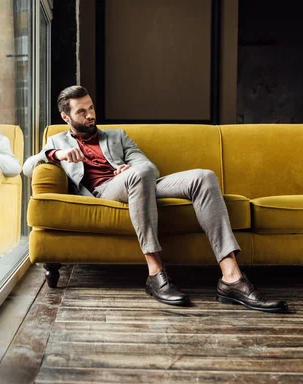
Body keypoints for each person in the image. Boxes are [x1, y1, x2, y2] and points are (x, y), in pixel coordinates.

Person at [23, 85, 288, 313]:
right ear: (65, 116)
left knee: (203, 177)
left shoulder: (117, 136)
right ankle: (155, 273)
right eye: (81, 111)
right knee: (139, 175)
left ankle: (231, 277)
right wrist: (56, 155)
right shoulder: (56, 140)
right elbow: (26, 167)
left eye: (91, 107)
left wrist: (129, 167)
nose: (90, 115)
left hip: (140, 182)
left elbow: (147, 166)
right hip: (106, 191)